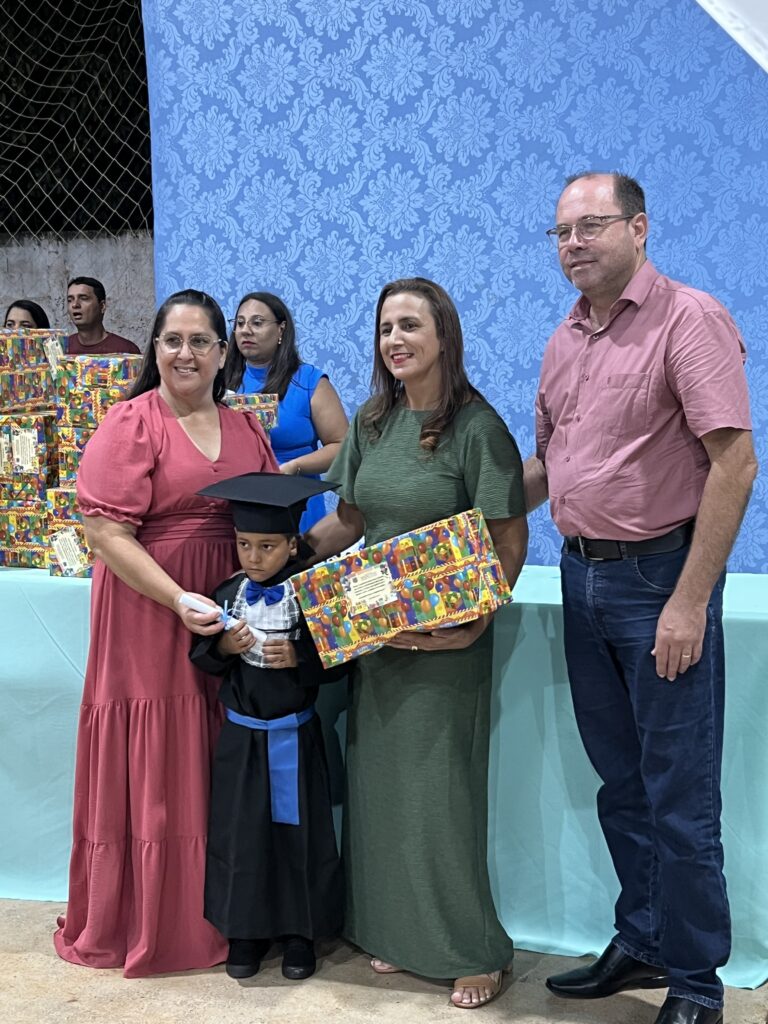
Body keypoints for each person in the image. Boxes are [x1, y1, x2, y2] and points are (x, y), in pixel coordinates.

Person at [525, 173, 756, 1024]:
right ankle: (645, 937)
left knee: (679, 797)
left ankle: (696, 983)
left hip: (659, 580)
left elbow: (734, 464)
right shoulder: (564, 340)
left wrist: (690, 602)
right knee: (621, 784)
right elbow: (549, 468)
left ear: (639, 228)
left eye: (590, 226)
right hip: (581, 576)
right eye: (560, 232)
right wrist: (456, 517)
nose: (573, 244)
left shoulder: (689, 319)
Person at [304, 277, 529, 1009]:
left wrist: (478, 619)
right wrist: (286, 562)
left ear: (443, 336)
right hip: (377, 636)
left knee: (440, 798)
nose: (394, 340)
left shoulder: (477, 427)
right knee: (382, 795)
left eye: (409, 325)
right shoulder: (372, 422)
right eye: (384, 328)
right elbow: (349, 521)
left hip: (446, 644)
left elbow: (507, 535)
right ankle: (401, 936)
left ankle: (474, 951)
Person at [54, 289, 279, 978]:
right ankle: (155, 920)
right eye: (172, 340)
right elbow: (104, 533)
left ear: (222, 352)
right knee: (160, 757)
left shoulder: (246, 428)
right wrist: (177, 597)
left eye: (200, 341)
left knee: (220, 750)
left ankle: (231, 915)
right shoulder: (130, 422)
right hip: (148, 615)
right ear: (154, 349)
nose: (185, 353)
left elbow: (272, 520)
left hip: (225, 617)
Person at [189, 472, 344, 983]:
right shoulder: (226, 593)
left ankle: (300, 933)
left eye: (267, 546)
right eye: (244, 545)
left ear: (293, 544)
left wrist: (299, 657)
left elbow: (342, 660)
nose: (253, 557)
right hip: (242, 739)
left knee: (300, 837)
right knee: (242, 835)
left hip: (295, 737)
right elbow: (200, 656)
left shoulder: (312, 594)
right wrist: (221, 647)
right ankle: (246, 932)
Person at [223, 291, 348, 531]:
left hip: (295, 504)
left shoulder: (309, 380)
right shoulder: (219, 382)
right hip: (238, 506)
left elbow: (343, 446)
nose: (246, 330)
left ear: (281, 330)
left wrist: (293, 467)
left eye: (257, 323)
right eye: (240, 323)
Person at [66, 276, 140, 354]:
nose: (75, 304)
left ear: (102, 306)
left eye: (83, 298)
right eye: (70, 300)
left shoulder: (126, 350)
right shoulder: (62, 350)